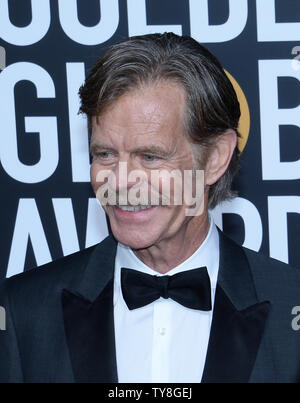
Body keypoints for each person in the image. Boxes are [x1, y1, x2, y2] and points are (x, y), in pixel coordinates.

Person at [0, 33, 299, 383]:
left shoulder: (289, 310)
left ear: (215, 157)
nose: (121, 181)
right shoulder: (24, 310)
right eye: (105, 154)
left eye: (150, 156)